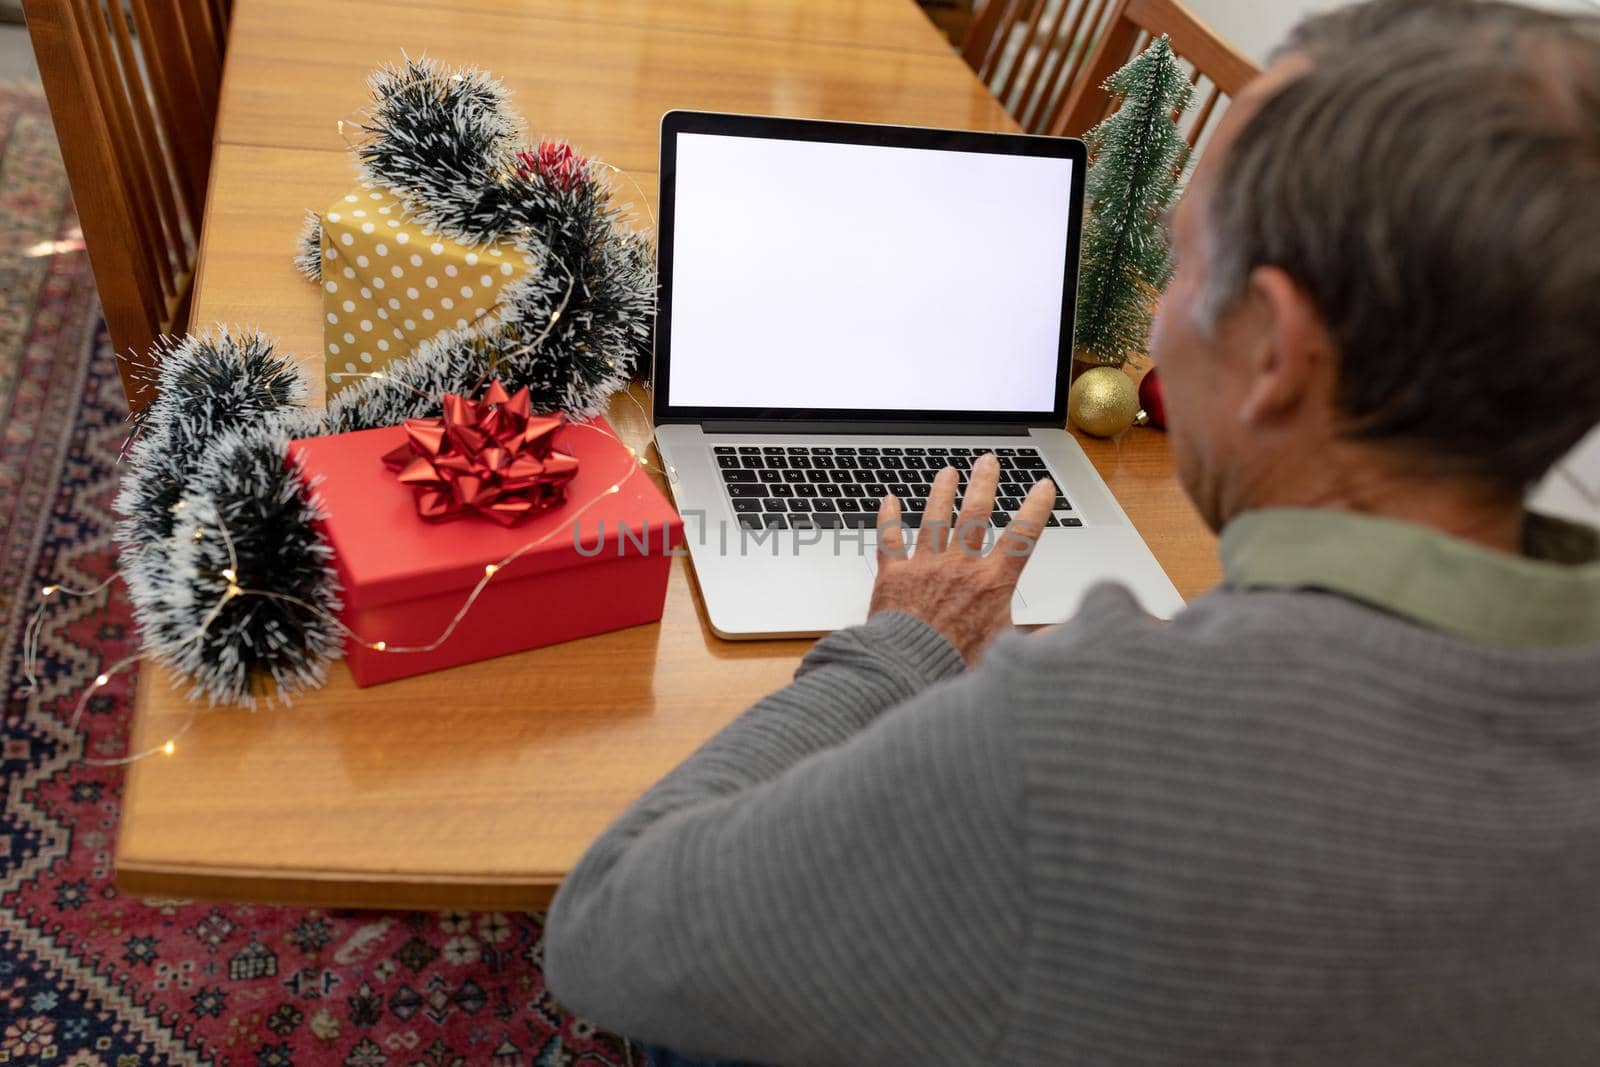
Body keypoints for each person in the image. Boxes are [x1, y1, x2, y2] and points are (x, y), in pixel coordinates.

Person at [544, 1, 1600, 1063]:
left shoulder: (1087, 734)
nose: (1149, 326)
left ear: (1275, 348)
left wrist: (900, 648)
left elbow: (610, 930)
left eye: (1180, 269)